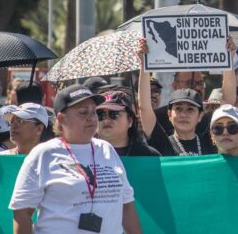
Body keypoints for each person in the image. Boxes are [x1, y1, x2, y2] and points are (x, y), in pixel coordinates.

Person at [9, 84, 142, 234]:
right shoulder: (43, 154)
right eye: (83, 112)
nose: (91, 118)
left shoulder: (107, 149)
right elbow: (22, 213)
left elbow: (126, 204)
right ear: (61, 118)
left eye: (94, 112)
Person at [96, 90, 160, 156]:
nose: (106, 120)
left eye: (114, 114)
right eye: (100, 114)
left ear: (130, 120)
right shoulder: (86, 155)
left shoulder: (149, 156)